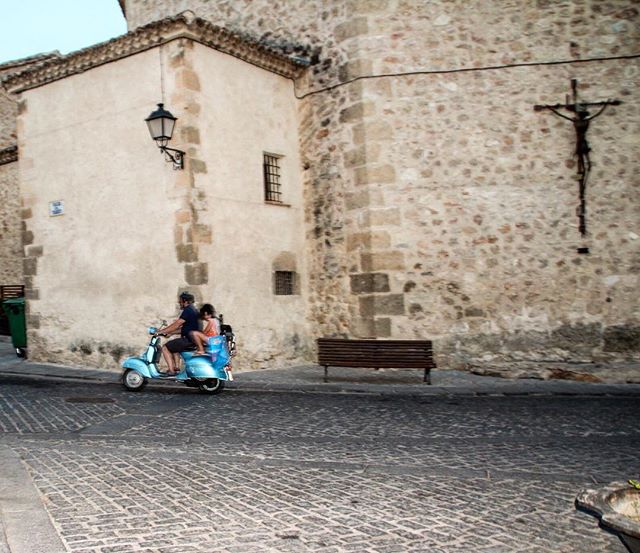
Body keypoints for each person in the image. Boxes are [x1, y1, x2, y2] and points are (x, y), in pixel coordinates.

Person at [155, 291, 200, 375]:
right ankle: (177, 368)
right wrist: (171, 333)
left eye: (180, 301)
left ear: (185, 301)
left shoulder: (188, 310)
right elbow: (184, 329)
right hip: (192, 339)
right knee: (175, 346)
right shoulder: (193, 310)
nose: (179, 303)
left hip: (188, 340)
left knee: (165, 347)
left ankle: (171, 371)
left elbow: (177, 324)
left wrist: (161, 331)